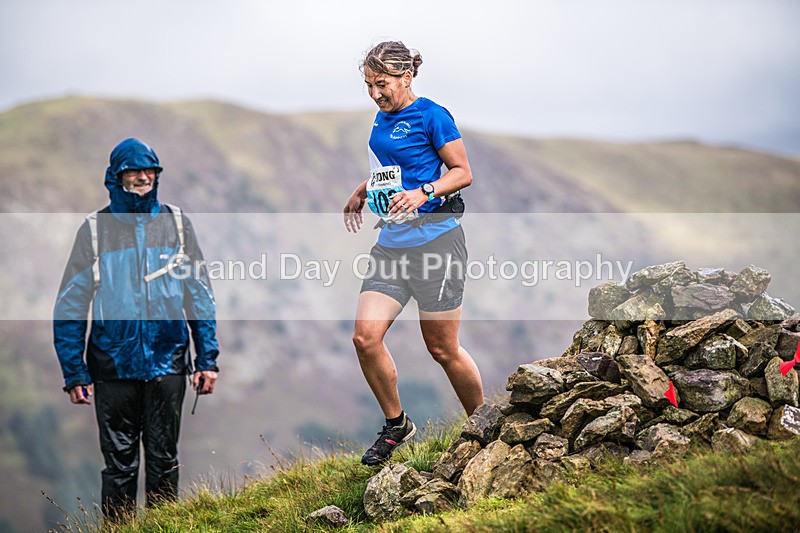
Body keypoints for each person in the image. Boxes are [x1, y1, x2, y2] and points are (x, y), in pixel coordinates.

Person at [53, 138, 220, 519]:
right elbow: (70, 305)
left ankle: (162, 528)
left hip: (168, 362)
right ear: (117, 176)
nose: (143, 177)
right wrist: (74, 370)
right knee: (119, 467)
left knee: (164, 460)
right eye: (134, 171)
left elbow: (200, 294)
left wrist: (207, 359)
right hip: (113, 365)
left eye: (150, 171)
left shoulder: (177, 223)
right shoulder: (95, 230)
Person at [343, 41, 484, 465]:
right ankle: (396, 424)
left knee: (442, 349)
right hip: (391, 245)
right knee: (365, 339)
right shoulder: (380, 120)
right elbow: (390, 169)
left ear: (406, 77)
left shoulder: (432, 115)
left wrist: (422, 192)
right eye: (368, 85)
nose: (375, 94)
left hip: (437, 243)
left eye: (381, 84)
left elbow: (462, 173)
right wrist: (362, 189)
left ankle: (484, 425)